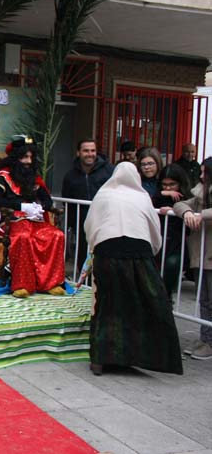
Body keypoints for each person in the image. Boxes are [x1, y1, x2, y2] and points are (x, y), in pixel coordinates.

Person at [84, 162, 183, 376]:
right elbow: (154, 228)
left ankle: (100, 359)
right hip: (138, 254)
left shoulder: (104, 194)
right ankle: (145, 355)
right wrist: (153, 250)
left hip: (107, 252)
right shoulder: (141, 196)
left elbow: (90, 224)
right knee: (143, 303)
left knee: (107, 305)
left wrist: (95, 247)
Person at [0, 135, 65, 298]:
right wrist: (22, 206)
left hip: (34, 220)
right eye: (25, 157)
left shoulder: (34, 177)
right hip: (12, 219)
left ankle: (51, 283)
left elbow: (47, 199)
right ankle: (22, 285)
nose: (29, 162)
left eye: (31, 157)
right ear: (16, 157)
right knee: (23, 238)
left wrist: (40, 207)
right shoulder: (3, 176)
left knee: (57, 235)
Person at [173, 157, 212, 360]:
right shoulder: (200, 192)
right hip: (202, 254)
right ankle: (206, 338)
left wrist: (200, 215)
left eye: (206, 172)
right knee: (204, 299)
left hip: (209, 254)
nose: (201, 175)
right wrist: (189, 212)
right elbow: (181, 205)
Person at [61, 138, 114, 269]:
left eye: (93, 150)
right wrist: (72, 224)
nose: (90, 154)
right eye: (86, 151)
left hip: (105, 222)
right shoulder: (70, 176)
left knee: (105, 256)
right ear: (78, 153)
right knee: (83, 255)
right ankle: (84, 285)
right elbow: (67, 199)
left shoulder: (109, 171)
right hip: (82, 225)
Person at [153, 163, 192, 300]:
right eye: (165, 185)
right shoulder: (158, 196)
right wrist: (162, 193)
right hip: (157, 244)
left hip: (176, 245)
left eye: (172, 184)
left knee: (171, 268)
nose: (168, 188)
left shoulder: (188, 198)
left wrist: (175, 211)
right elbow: (148, 202)